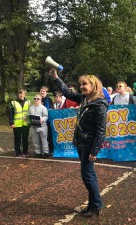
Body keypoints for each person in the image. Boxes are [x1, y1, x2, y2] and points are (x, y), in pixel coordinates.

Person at [51, 69, 107, 217]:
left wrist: (94, 151)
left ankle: (97, 205)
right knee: (90, 174)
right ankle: (92, 204)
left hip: (89, 144)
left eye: (85, 84)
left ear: (93, 86)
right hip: (81, 142)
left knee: (87, 175)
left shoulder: (99, 105)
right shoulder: (84, 99)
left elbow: (101, 131)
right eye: (81, 84)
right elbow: (68, 93)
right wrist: (56, 78)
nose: (81, 87)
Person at [8, 89, 30, 158]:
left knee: (25, 139)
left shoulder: (28, 102)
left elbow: (31, 112)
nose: (21, 95)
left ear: (25, 94)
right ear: (18, 95)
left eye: (22, 94)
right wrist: (11, 123)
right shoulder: (13, 103)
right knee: (17, 139)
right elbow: (11, 114)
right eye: (20, 94)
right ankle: (18, 152)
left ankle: (25, 152)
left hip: (26, 124)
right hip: (17, 124)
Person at [40, 86, 54, 155]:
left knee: (49, 136)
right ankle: (43, 149)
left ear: (46, 92)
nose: (42, 92)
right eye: (41, 91)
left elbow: (52, 109)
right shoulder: (38, 99)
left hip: (48, 121)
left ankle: (51, 149)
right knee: (42, 136)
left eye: (43, 91)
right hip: (40, 121)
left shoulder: (49, 99)